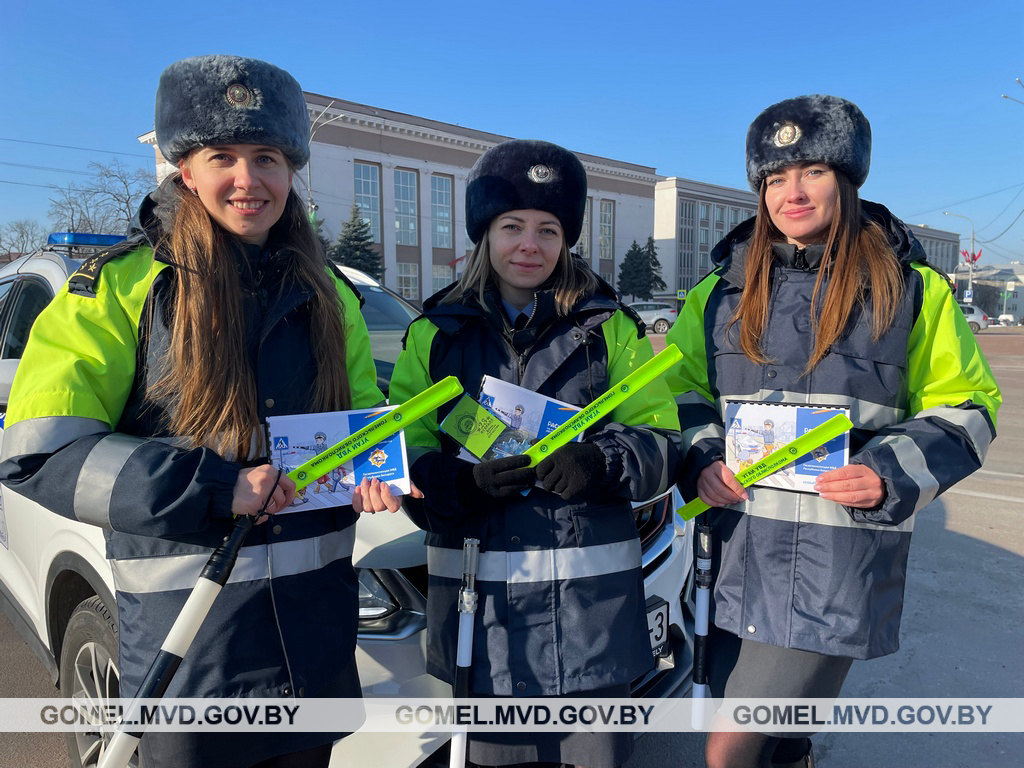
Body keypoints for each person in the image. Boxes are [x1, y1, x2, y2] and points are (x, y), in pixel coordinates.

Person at [0, 55, 410, 768]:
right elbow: (39, 452)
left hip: (315, 644)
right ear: (185, 169)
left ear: (292, 172)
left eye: (268, 158)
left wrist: (375, 468)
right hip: (191, 655)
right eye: (223, 156)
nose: (249, 179)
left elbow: (364, 419)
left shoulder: (329, 293)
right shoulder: (116, 290)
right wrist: (218, 488)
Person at [665, 94, 1002, 768]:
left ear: (847, 181)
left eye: (813, 171)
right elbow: (677, 394)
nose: (793, 192)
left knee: (727, 749)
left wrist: (889, 471)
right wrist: (700, 457)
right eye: (776, 178)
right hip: (736, 551)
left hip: (837, 560)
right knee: (779, 740)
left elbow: (969, 407)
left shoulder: (912, 290)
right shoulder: (717, 295)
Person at [389, 139, 681, 768]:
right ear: (484, 234)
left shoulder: (610, 329)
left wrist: (598, 465)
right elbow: (404, 449)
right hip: (483, 624)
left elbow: (661, 442)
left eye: (548, 229)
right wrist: (454, 486)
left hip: (592, 621)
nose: (530, 244)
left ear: (567, 239)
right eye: (512, 226)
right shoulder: (436, 334)